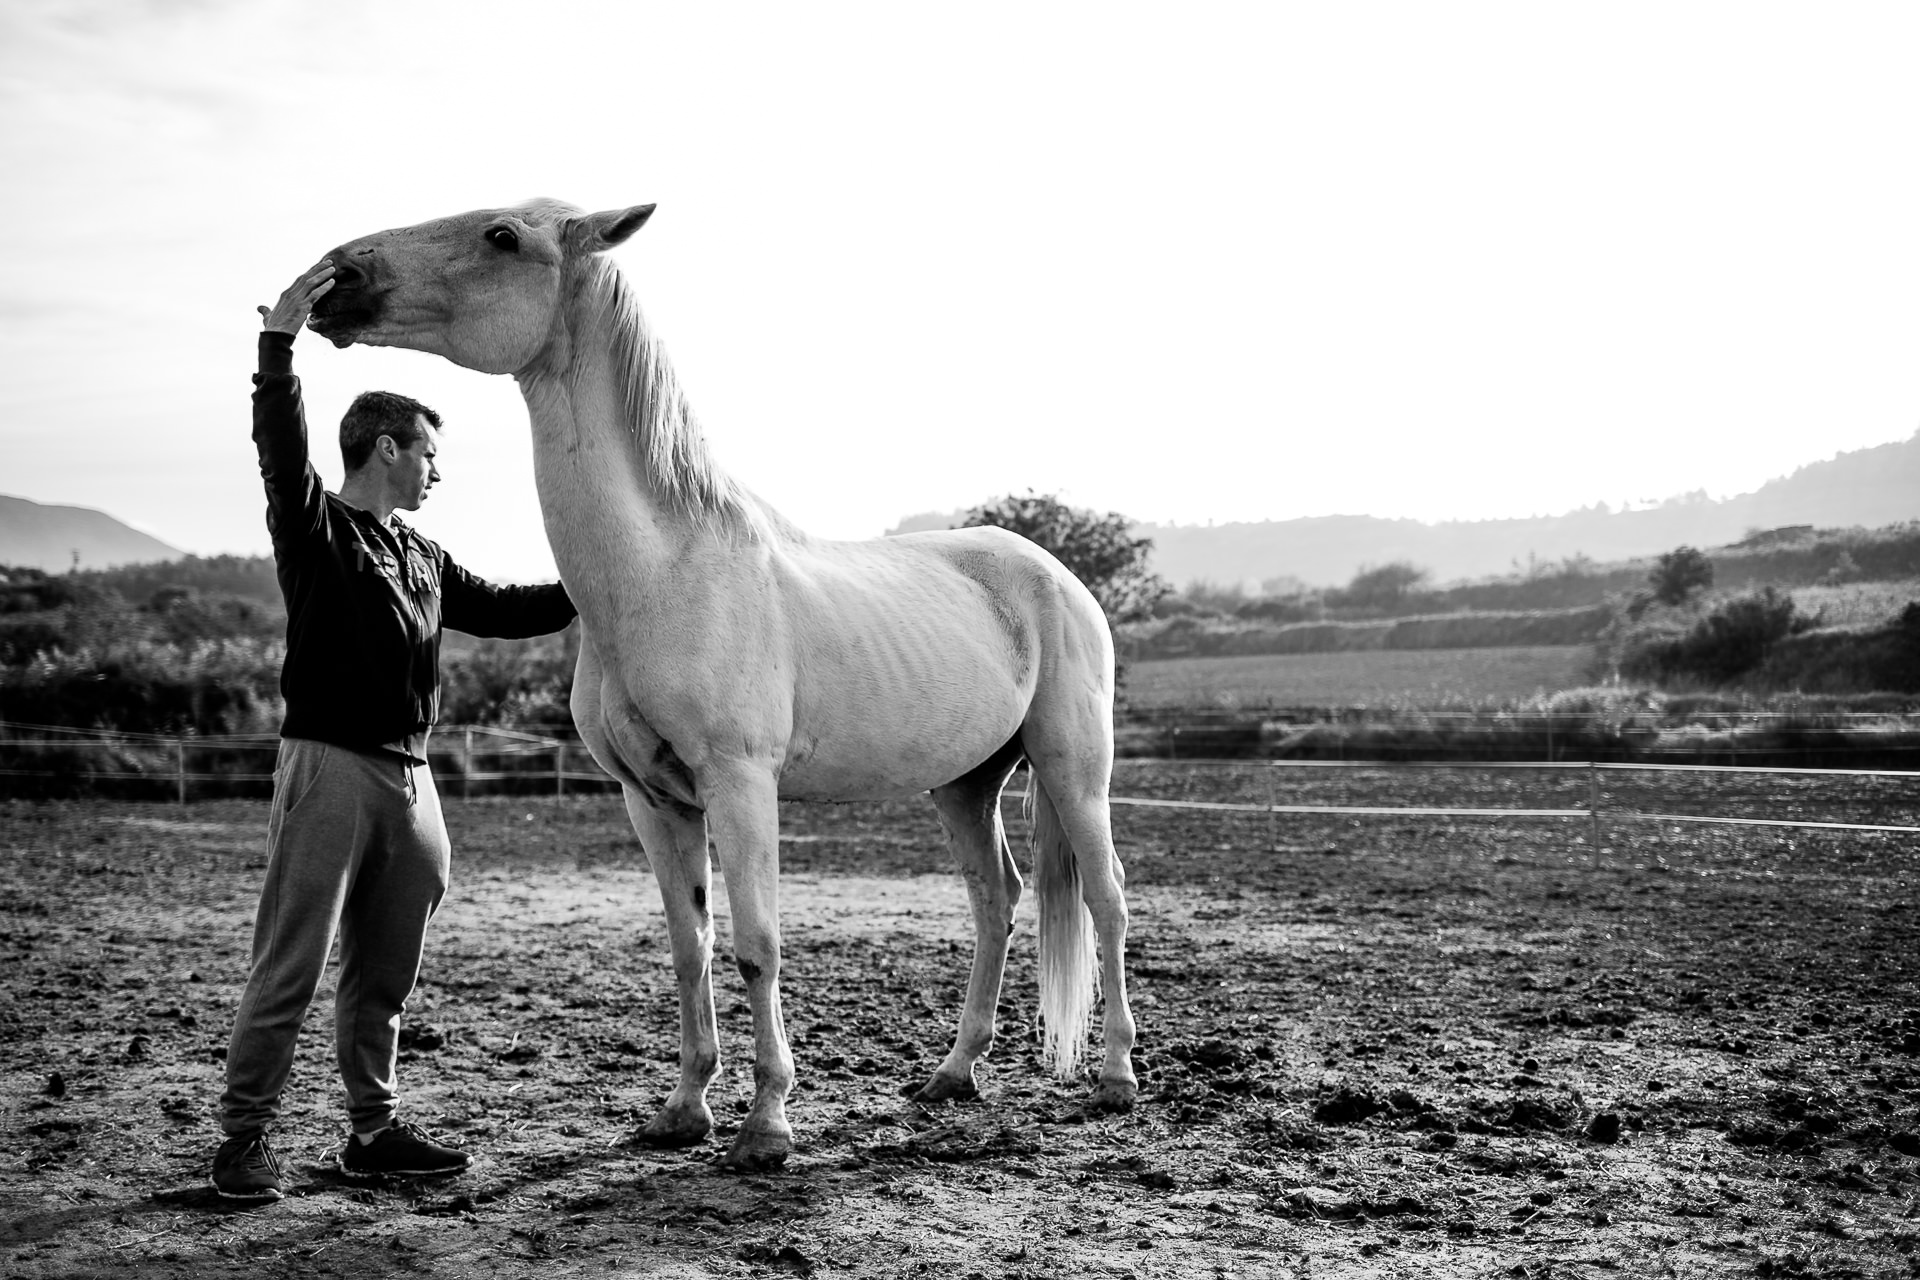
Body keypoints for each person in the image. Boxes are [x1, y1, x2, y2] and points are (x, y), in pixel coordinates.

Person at [210, 261, 579, 1202]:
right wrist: (276, 348)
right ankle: (243, 1141)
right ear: (382, 448)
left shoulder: (420, 552)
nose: (437, 470)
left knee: (387, 971)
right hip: (330, 764)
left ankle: (371, 1132)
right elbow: (278, 449)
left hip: (411, 779)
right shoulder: (316, 528)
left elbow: (500, 607)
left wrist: (601, 582)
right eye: (425, 452)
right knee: (291, 962)